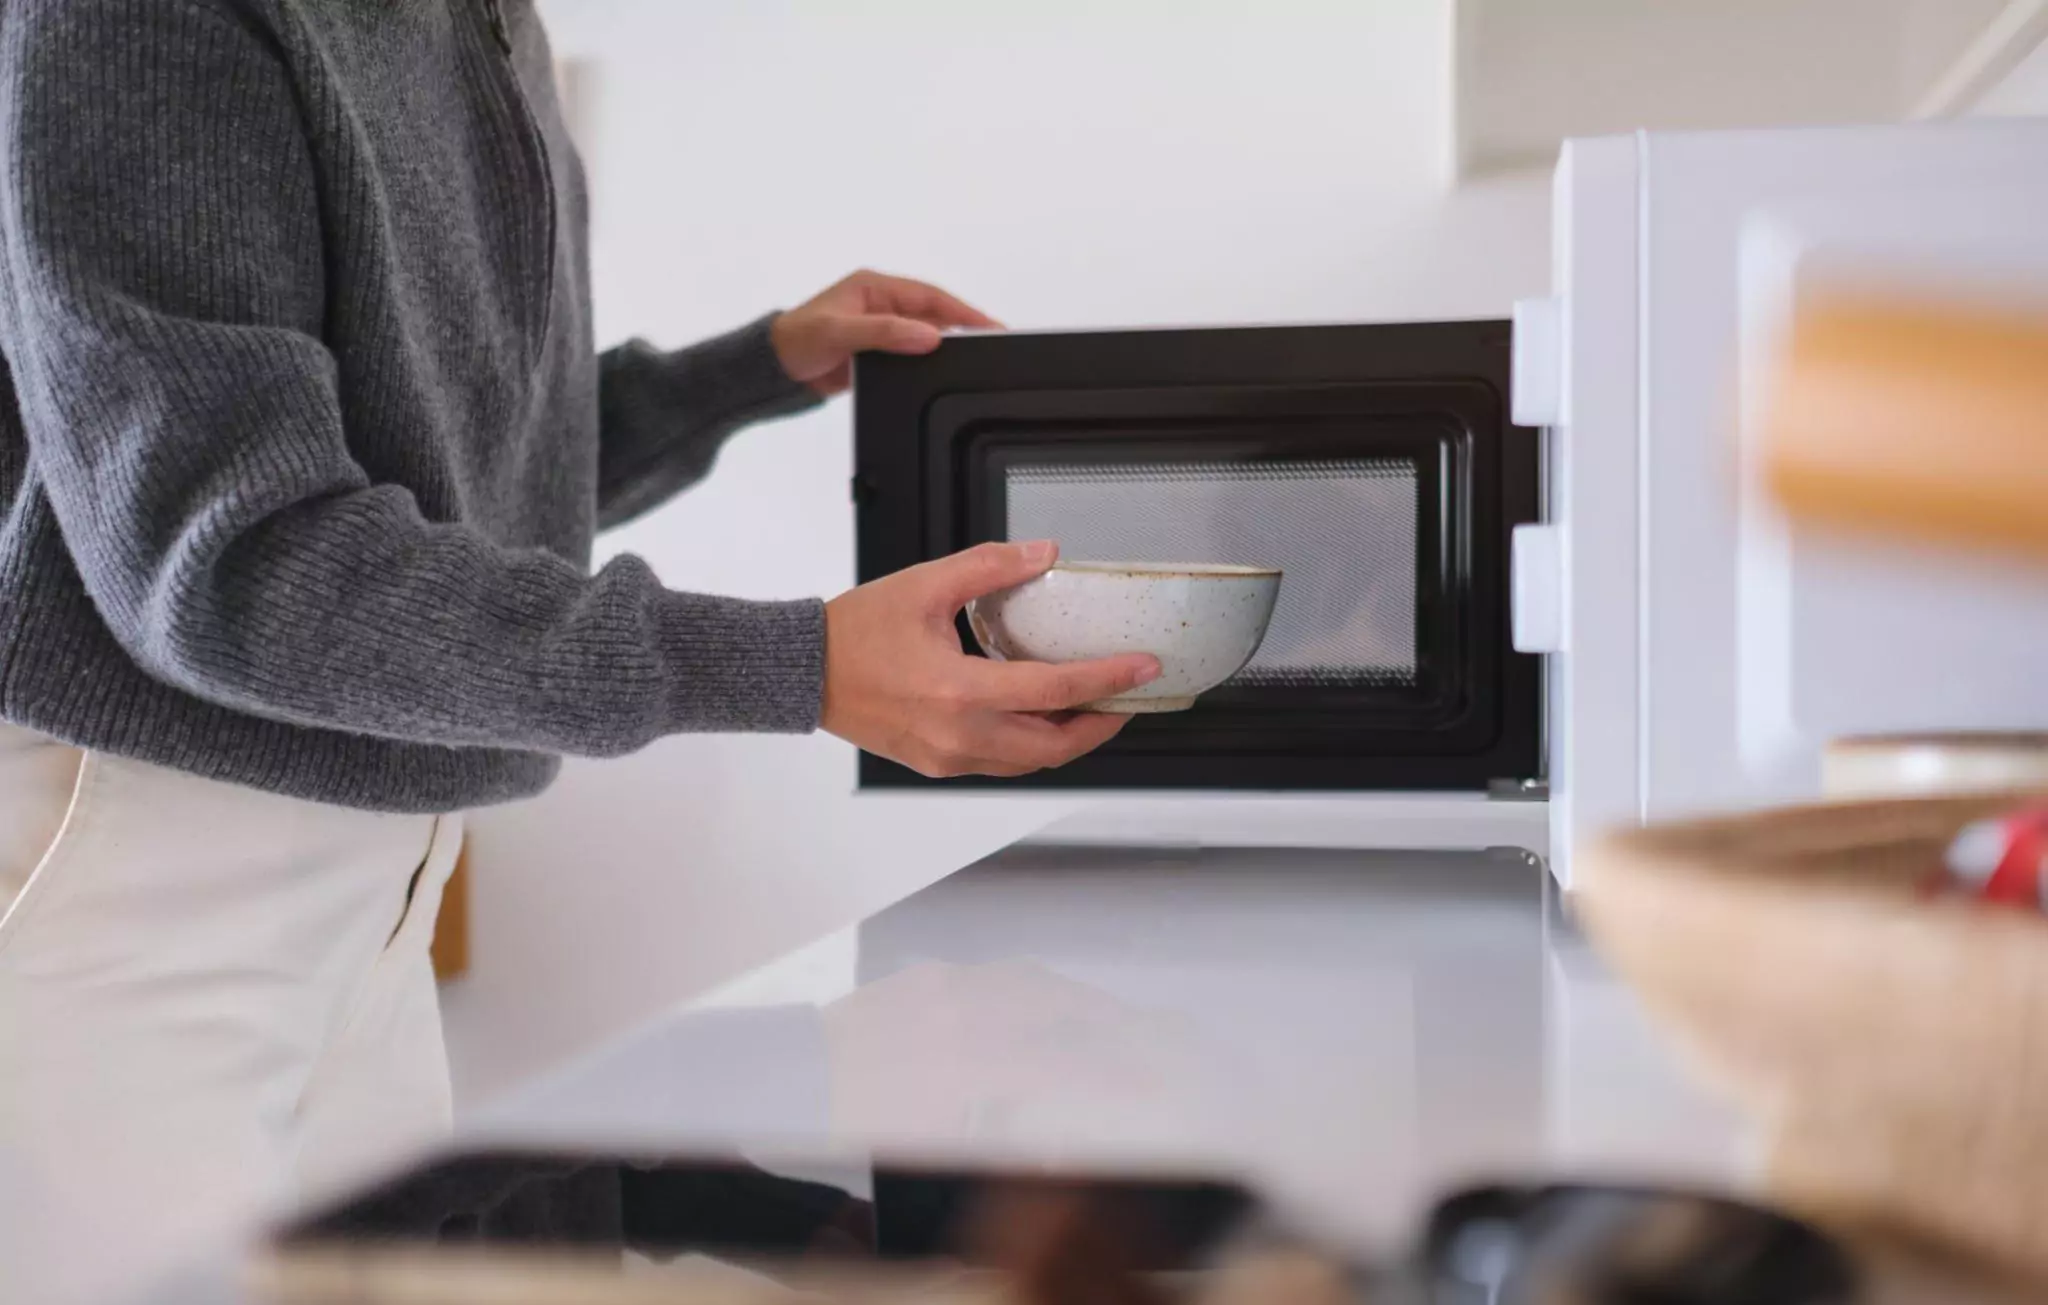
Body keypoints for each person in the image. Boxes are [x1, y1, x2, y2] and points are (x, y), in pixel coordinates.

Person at [0, 1, 1159, 1299]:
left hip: (377, 860)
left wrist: (745, 373)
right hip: (138, 848)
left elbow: (445, 483)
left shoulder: (489, 22)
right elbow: (234, 564)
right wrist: (795, 667)